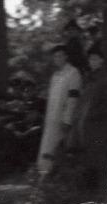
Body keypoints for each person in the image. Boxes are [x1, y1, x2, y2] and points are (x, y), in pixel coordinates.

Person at [69, 47, 107, 190]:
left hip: (97, 126)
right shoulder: (88, 79)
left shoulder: (105, 80)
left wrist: (92, 115)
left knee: (94, 158)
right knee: (84, 157)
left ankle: (94, 191)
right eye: (91, 59)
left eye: (96, 59)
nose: (93, 61)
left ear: (101, 61)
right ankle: (84, 189)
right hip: (83, 126)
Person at [35, 45, 83, 179]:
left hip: (63, 119)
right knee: (47, 145)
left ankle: (53, 177)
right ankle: (43, 174)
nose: (57, 58)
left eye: (60, 55)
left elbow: (73, 98)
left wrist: (67, 119)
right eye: (55, 56)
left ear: (66, 56)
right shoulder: (55, 76)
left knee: (58, 147)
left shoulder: (73, 73)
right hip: (51, 118)